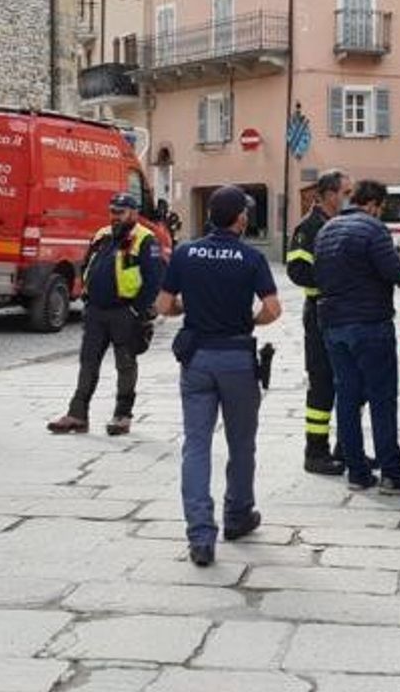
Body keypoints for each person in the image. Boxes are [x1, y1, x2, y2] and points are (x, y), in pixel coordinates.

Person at [156, 186, 280, 567]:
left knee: (196, 445)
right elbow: (273, 309)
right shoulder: (251, 257)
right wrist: (248, 319)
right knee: (241, 443)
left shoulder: (185, 252)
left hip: (197, 360)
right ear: (241, 219)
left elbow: (163, 305)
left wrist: (186, 305)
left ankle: (200, 536)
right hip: (238, 359)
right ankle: (238, 515)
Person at [313, 178, 400, 492]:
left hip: (332, 325)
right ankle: (392, 472)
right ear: (373, 204)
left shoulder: (326, 230)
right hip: (370, 324)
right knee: (382, 399)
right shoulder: (373, 229)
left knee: (346, 396)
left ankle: (356, 471)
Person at [48, 192, 164, 436]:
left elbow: (154, 280)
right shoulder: (102, 235)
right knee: (88, 362)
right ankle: (77, 415)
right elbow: (87, 265)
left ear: (133, 213)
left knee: (125, 363)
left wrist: (137, 310)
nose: (115, 216)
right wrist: (86, 296)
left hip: (125, 311)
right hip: (96, 311)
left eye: (120, 212)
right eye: (112, 211)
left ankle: (122, 415)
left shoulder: (145, 239)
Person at [286, 169, 353, 475]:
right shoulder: (309, 227)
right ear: (328, 195)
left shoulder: (336, 223)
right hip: (319, 312)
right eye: (345, 193)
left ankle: (346, 447)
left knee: (347, 382)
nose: (348, 198)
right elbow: (298, 270)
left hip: (339, 312)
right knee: (323, 382)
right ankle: (315, 451)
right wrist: (334, 282)